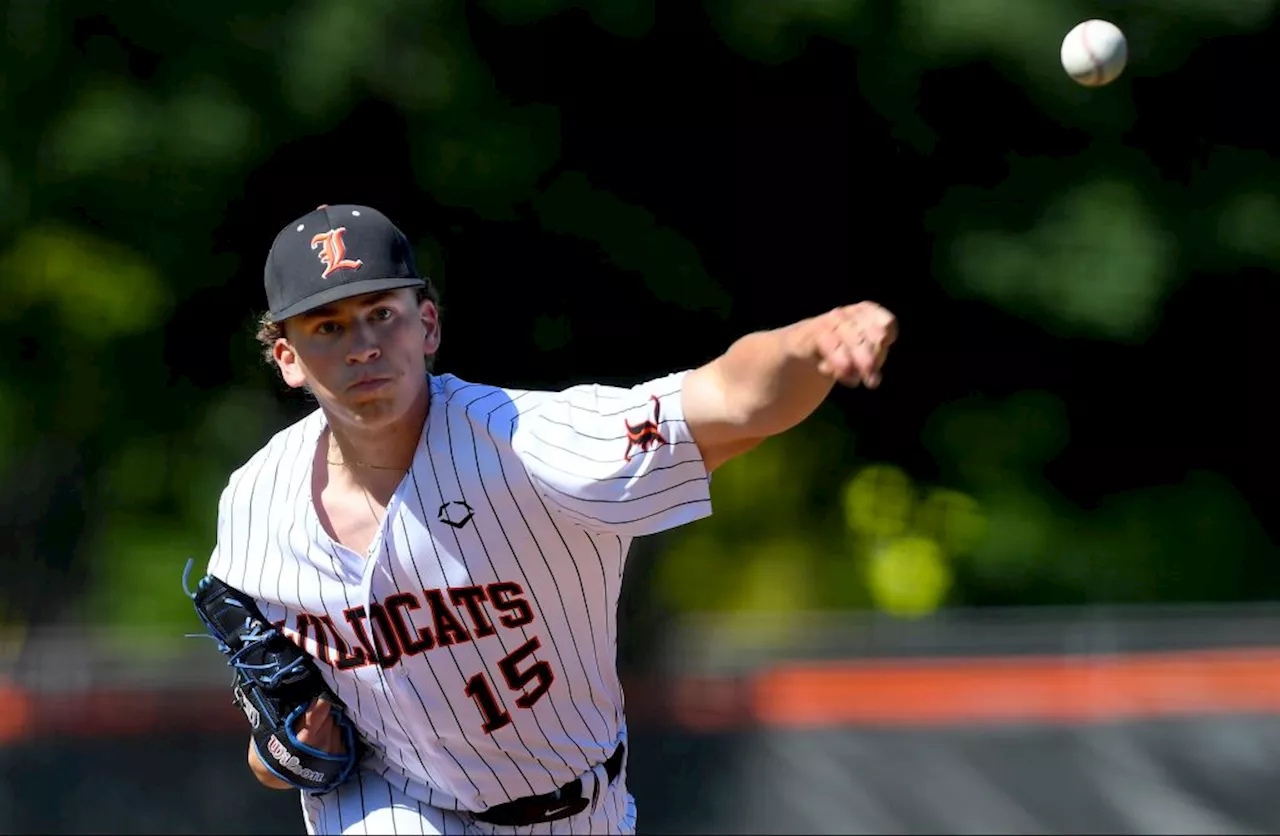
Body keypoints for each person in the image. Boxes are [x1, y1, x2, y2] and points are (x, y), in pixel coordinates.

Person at [205, 203, 897, 835]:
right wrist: (280, 751)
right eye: (329, 326)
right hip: (389, 803)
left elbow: (728, 402)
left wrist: (810, 343)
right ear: (288, 358)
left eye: (381, 313)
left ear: (428, 323)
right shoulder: (256, 509)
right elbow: (275, 743)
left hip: (577, 807)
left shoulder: (530, 443)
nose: (362, 345)